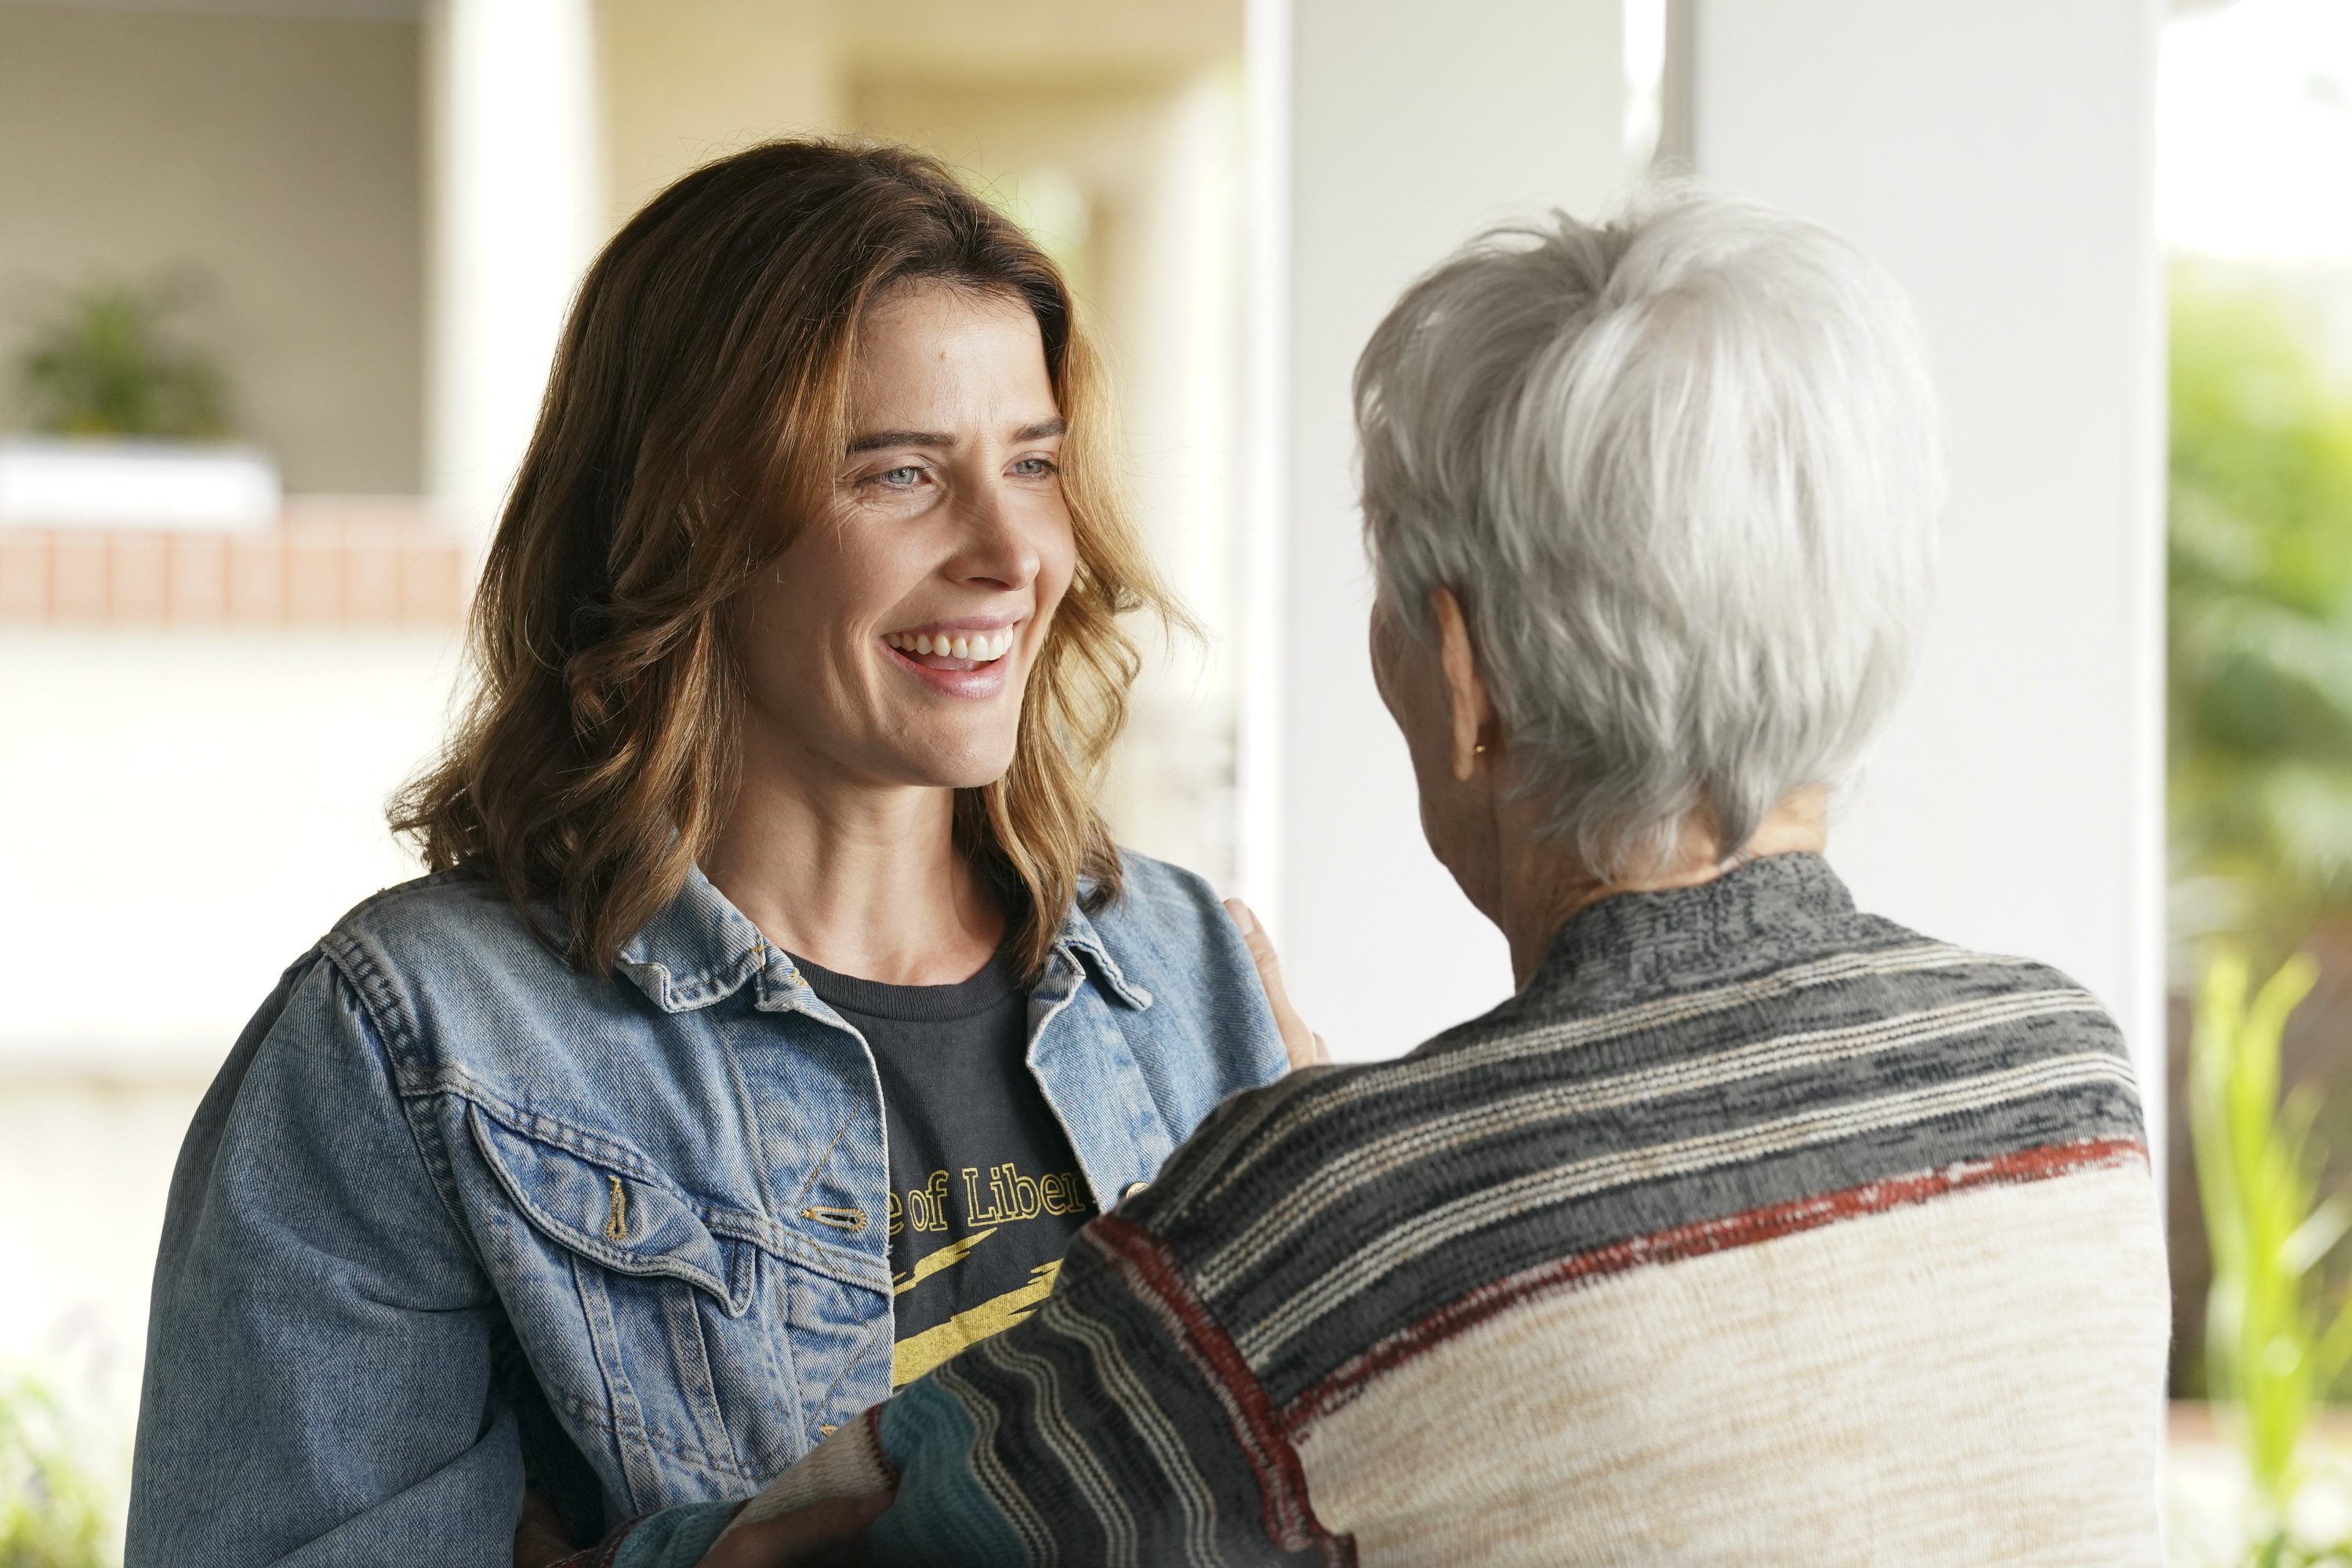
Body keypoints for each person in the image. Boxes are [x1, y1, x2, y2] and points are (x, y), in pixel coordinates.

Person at [617, 188, 2170, 1566]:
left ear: (1463, 671)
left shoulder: (1340, 1217)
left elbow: (833, 1531)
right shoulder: (2064, 1076)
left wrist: (1291, 1202)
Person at [125, 140, 1307, 1567]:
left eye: (1036, 463)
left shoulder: (1186, 979)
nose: (1012, 552)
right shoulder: (413, 1048)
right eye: (900, 473)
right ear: (691, 521)